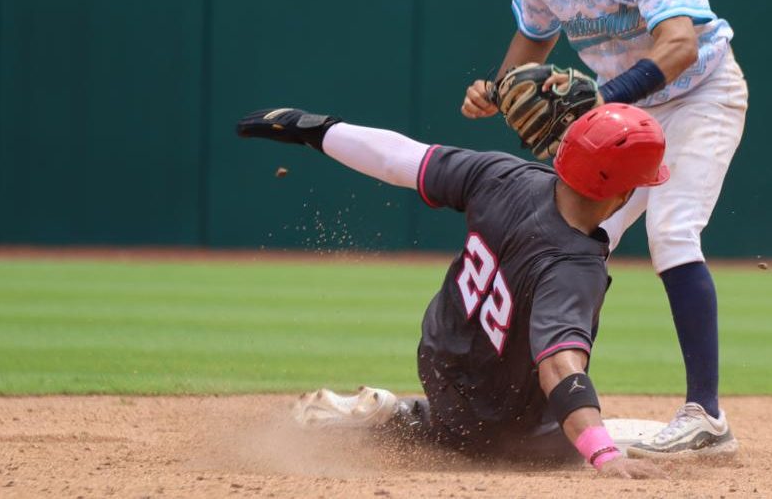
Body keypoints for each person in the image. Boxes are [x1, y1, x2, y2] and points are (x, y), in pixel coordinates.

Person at [461, 0, 747, 459]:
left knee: (673, 232)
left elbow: (680, 44)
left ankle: (706, 416)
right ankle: (528, 404)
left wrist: (602, 100)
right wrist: (497, 87)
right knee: (566, 236)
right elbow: (535, 35)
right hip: (621, 112)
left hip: (699, 95)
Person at [237, 104, 669, 478]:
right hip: (494, 417)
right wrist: (603, 453)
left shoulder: (503, 174)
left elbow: (396, 158)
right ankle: (407, 419)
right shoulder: (574, 267)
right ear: (624, 193)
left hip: (438, 360)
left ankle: (408, 415)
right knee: (566, 445)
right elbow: (559, 366)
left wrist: (316, 128)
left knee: (476, 415)